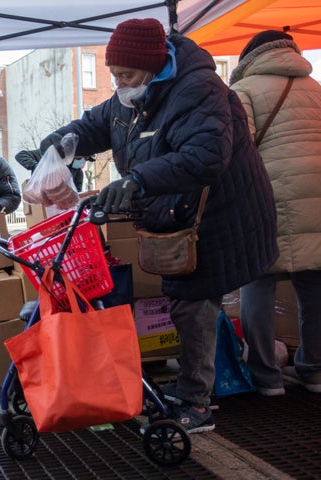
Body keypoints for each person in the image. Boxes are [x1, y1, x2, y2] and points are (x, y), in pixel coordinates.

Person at [18, 18, 278, 433]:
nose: (119, 82)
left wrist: (138, 179)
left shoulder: (198, 90)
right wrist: (59, 143)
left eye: (127, 74)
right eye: (114, 74)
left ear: (154, 66)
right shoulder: (131, 94)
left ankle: (197, 406)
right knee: (185, 298)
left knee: (191, 301)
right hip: (179, 212)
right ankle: (198, 386)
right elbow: (96, 124)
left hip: (219, 216)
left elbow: (206, 156)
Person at [229, 30, 321, 396]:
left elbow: (239, 149)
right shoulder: (315, 88)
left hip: (267, 193)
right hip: (316, 194)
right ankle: (314, 370)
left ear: (248, 57)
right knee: (314, 284)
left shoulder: (244, 90)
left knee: (258, 278)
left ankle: (266, 376)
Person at [15, 144, 94, 192]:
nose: (84, 161)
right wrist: (39, 167)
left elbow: (78, 194)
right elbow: (20, 155)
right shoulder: (49, 156)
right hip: (40, 201)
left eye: (86, 159)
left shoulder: (77, 172)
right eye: (84, 158)